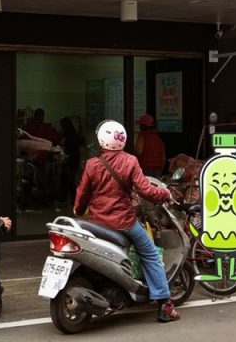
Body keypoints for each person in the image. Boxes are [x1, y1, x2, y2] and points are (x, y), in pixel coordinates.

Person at [74, 120, 181, 323]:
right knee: (150, 254)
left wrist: (78, 210)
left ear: (101, 140)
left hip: (97, 223)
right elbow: (146, 190)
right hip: (124, 222)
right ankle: (165, 306)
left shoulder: (92, 164)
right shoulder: (130, 161)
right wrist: (164, 193)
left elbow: (83, 193)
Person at [58, 117, 85, 203]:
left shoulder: (69, 137)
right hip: (72, 160)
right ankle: (70, 199)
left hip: (70, 161)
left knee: (69, 180)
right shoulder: (72, 135)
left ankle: (72, 199)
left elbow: (69, 149)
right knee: (68, 180)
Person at [134, 114, 166, 178]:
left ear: (143, 126)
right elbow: (163, 157)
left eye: (140, 125)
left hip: (146, 168)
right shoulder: (158, 138)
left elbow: (139, 151)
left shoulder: (143, 136)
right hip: (158, 168)